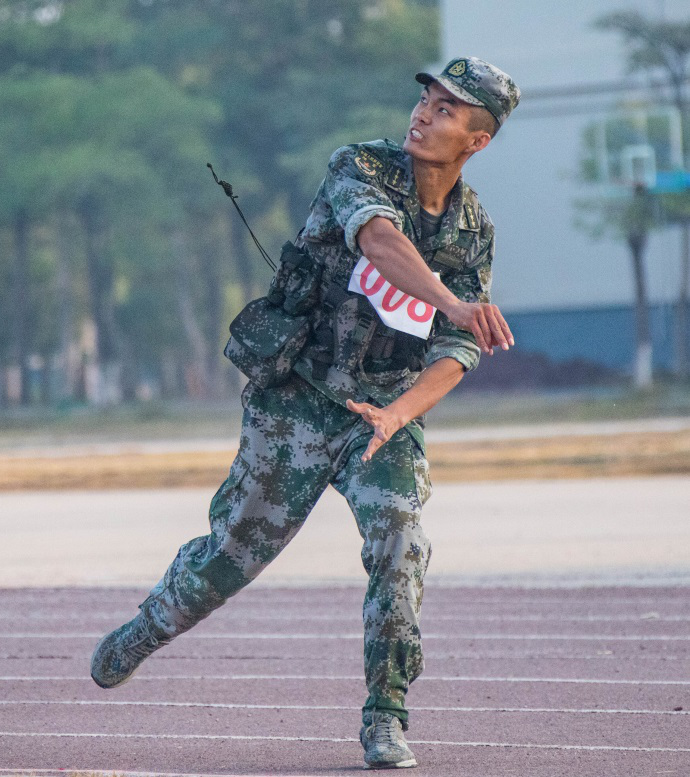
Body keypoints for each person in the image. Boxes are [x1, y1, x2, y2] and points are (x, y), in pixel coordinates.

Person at [91, 57, 521, 770]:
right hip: (295, 396)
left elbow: (457, 350)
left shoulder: (473, 231)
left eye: (448, 110)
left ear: (476, 141)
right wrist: (451, 300)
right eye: (427, 99)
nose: (424, 113)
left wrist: (396, 415)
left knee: (400, 538)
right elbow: (380, 242)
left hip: (382, 410)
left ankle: (386, 712)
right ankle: (149, 625)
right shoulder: (359, 165)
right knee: (229, 559)